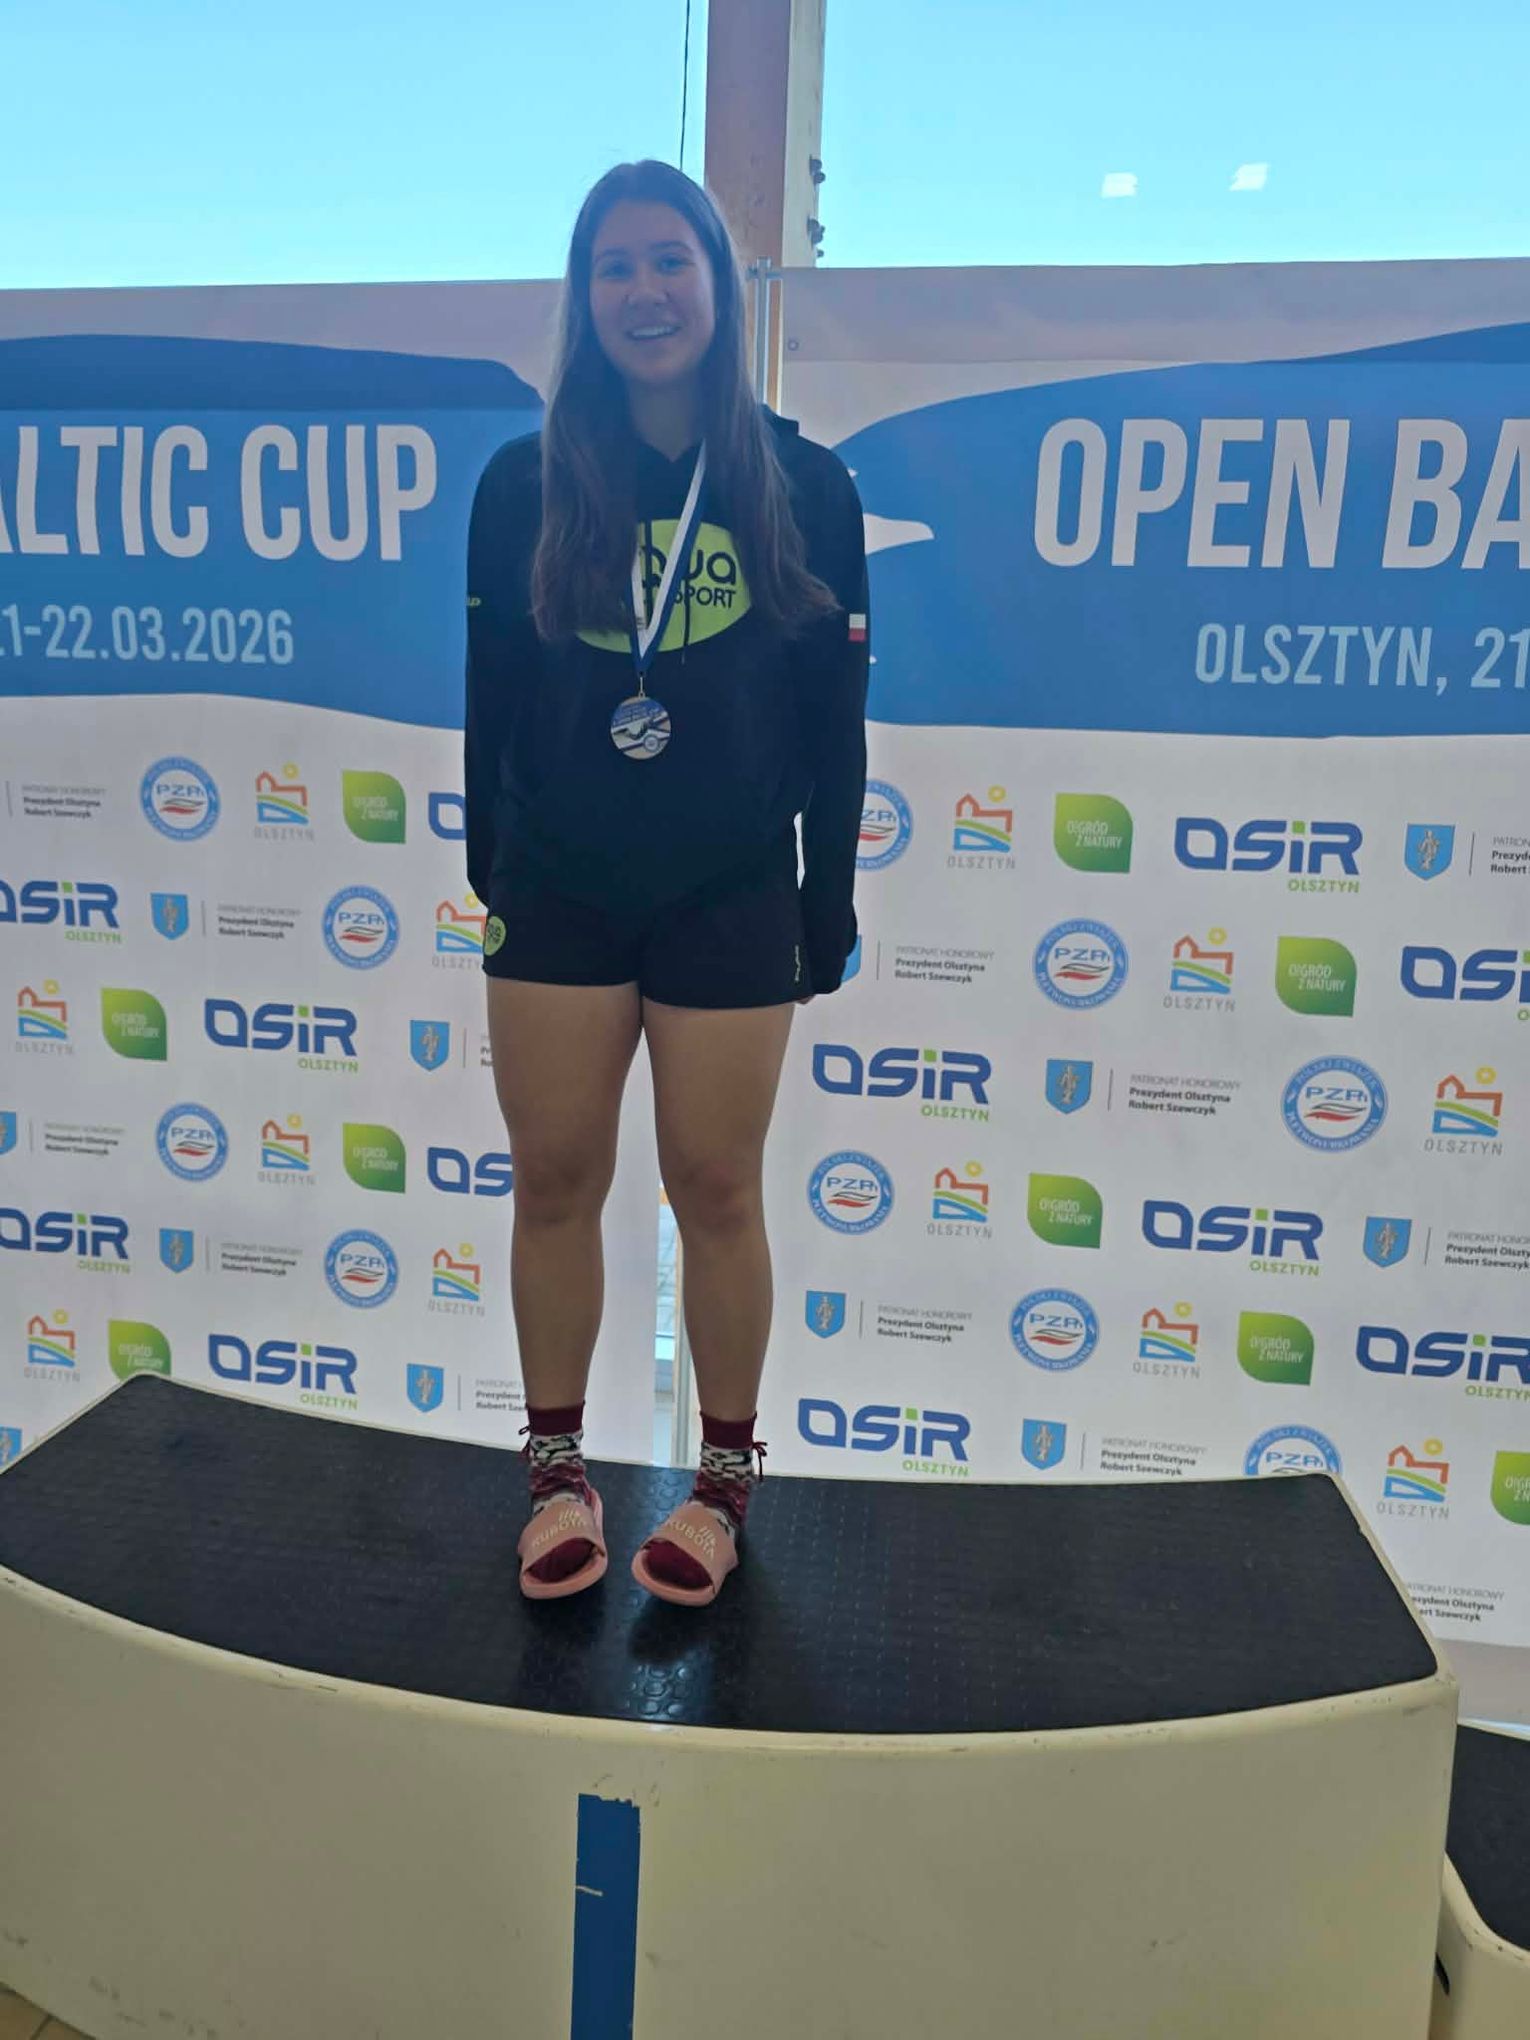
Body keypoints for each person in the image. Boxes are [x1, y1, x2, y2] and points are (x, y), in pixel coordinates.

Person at [463, 160, 869, 1607]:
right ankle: (555, 1477)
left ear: (718, 286)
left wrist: (823, 907)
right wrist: (492, 875)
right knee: (556, 1180)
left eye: (670, 262)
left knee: (714, 1186)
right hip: (559, 893)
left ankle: (722, 1488)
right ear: (585, 297)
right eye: (614, 266)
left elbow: (835, 721)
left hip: (730, 889)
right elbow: (489, 697)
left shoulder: (806, 483)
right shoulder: (522, 483)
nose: (644, 292)